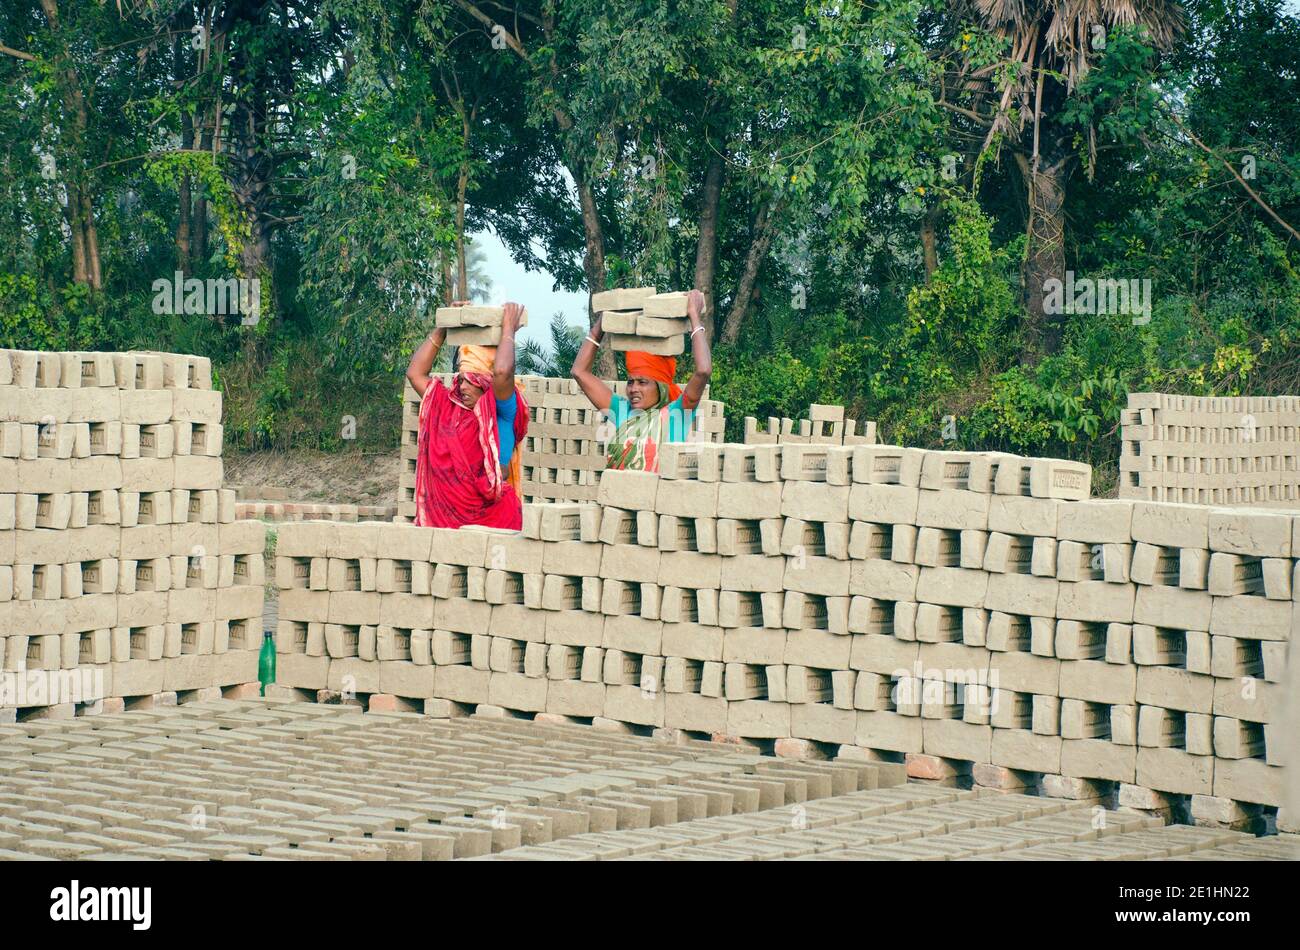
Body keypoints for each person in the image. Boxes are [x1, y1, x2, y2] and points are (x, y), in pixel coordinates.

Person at [405, 301, 528, 529]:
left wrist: (508, 329)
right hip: (446, 523)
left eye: (470, 381)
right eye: (460, 379)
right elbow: (415, 373)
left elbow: (502, 371)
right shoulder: (447, 407)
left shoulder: (503, 412)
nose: (462, 387)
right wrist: (444, 327)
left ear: (485, 383)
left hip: (494, 522)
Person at [571, 288, 712, 472]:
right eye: (630, 382)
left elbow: (703, 370)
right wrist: (603, 323)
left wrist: (694, 317)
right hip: (616, 498)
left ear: (661, 387)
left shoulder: (676, 415)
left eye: (642, 382)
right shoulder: (622, 411)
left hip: (658, 500)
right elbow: (579, 372)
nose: (633, 389)